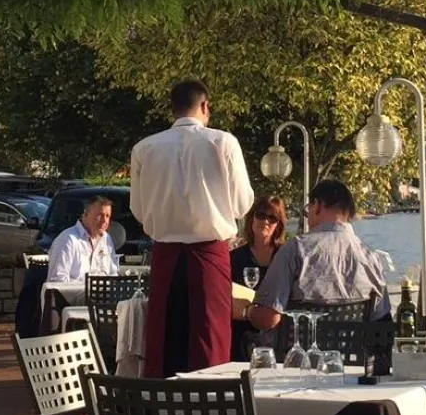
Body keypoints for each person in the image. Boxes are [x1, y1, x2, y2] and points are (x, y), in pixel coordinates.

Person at [131, 79, 255, 377]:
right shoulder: (224, 143)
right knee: (210, 341)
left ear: (172, 109)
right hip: (209, 254)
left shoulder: (144, 149)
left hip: (165, 256)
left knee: (165, 341)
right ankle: (210, 401)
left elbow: (139, 210)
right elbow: (242, 204)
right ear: (205, 106)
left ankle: (162, 402)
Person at [249, 179, 388, 333]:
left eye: (308, 209)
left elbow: (268, 319)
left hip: (299, 348)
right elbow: (381, 322)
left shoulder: (295, 250)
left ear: (317, 206)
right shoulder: (371, 258)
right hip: (353, 348)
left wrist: (248, 310)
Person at [45, 196, 119, 291]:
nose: (104, 221)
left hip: (102, 296)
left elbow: (113, 274)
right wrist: (87, 290)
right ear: (85, 214)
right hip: (70, 298)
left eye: (107, 216)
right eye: (100, 215)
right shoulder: (68, 240)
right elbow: (56, 282)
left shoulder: (106, 239)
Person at [230, 196, 286, 289]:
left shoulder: (286, 256)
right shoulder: (234, 258)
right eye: (260, 215)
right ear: (251, 219)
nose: (265, 221)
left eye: (272, 218)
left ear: (278, 225)